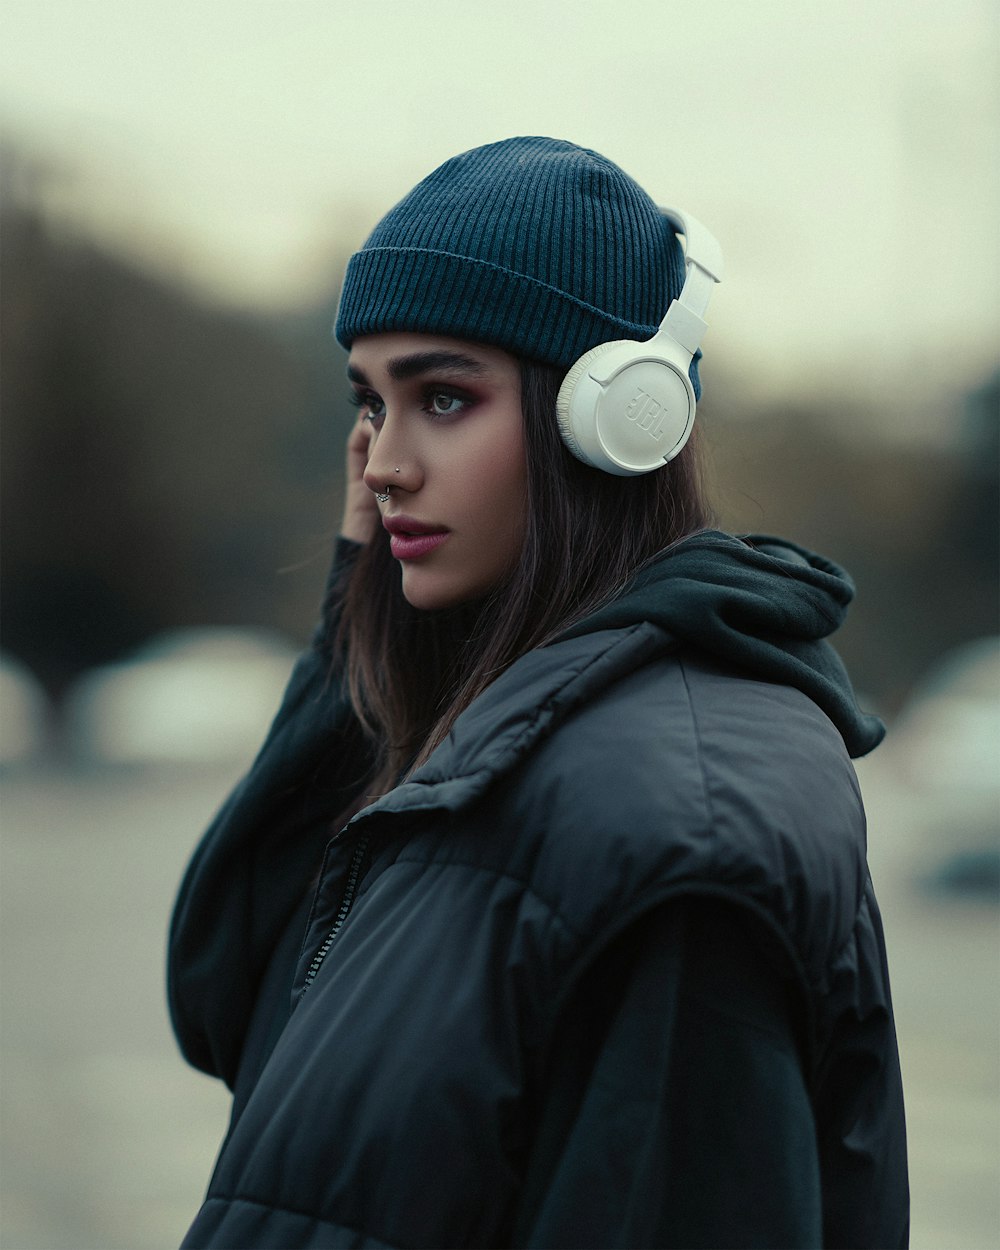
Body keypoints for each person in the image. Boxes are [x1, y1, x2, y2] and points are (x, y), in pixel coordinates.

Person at [168, 136, 909, 1249]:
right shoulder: (483, 742)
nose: (379, 462)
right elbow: (240, 990)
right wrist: (355, 621)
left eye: (446, 398)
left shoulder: (673, 828)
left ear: (616, 420)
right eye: (370, 402)